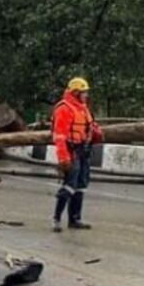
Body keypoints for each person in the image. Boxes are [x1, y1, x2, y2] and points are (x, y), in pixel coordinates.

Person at [49, 77, 103, 233]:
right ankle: (56, 219)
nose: (86, 95)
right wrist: (63, 158)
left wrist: (95, 133)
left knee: (81, 185)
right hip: (70, 150)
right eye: (84, 92)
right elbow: (59, 136)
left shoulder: (83, 108)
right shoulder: (64, 108)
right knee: (69, 185)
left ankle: (75, 219)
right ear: (76, 92)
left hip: (83, 150)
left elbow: (90, 126)